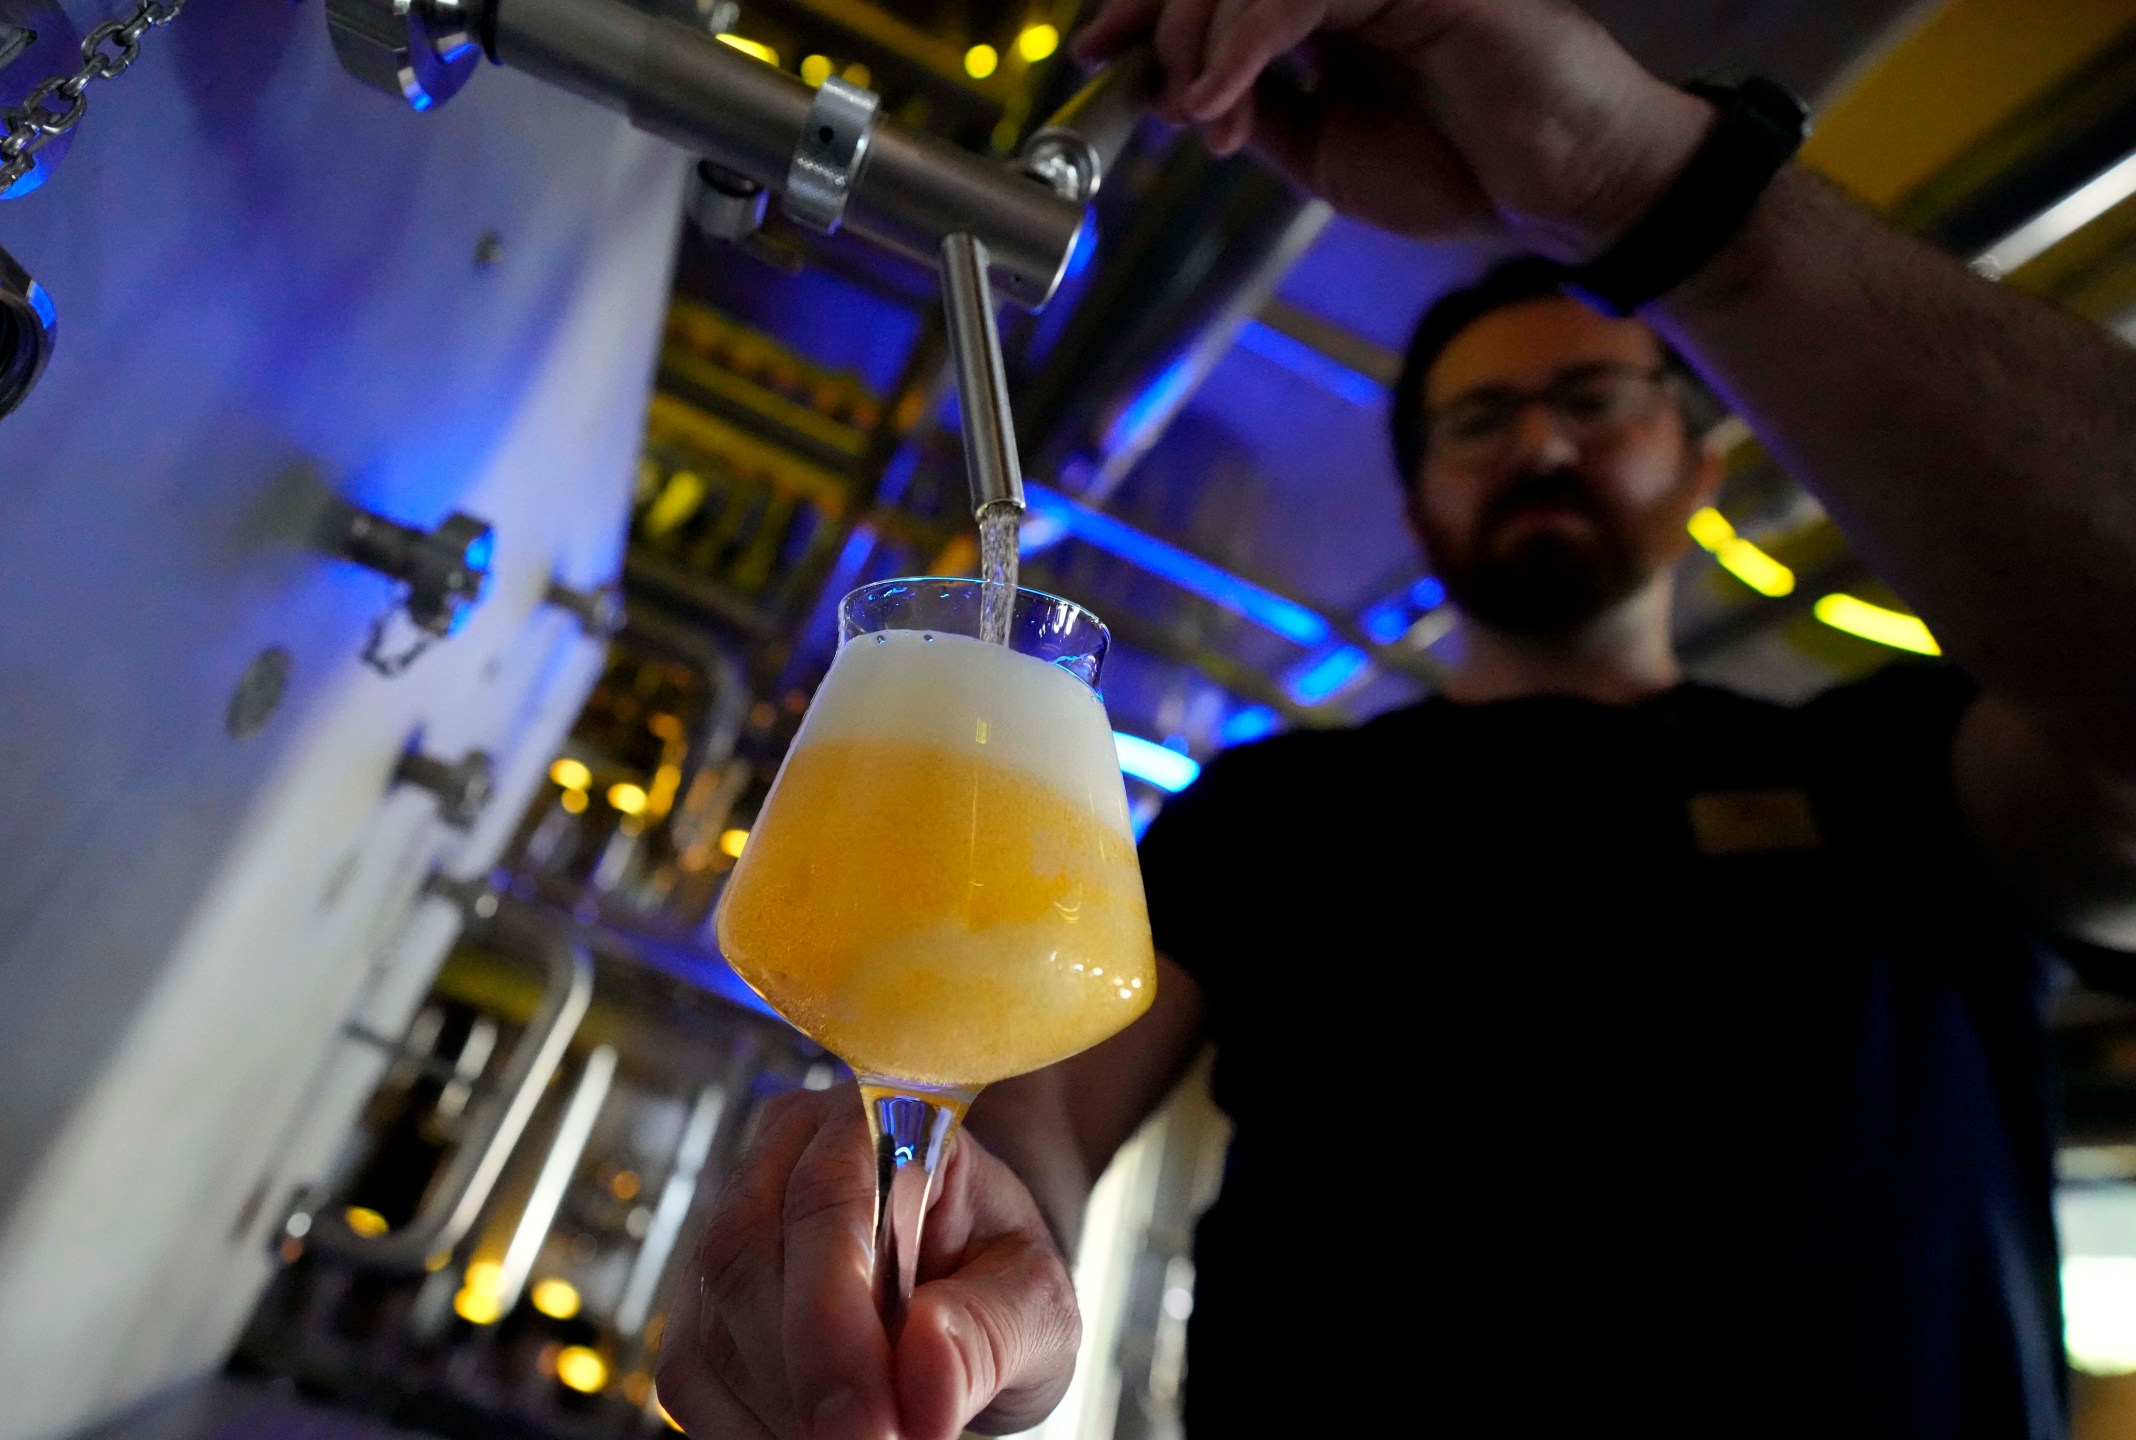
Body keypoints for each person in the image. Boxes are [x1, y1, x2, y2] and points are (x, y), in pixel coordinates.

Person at [654, 1, 2136, 1435]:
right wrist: (950, 1249)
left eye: (1597, 402)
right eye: (1482, 424)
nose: (1542, 441)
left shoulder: (1906, 769)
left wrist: (1650, 188)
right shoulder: (1277, 810)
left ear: (1702, 469)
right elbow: (1030, 1111)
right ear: (1420, 503)